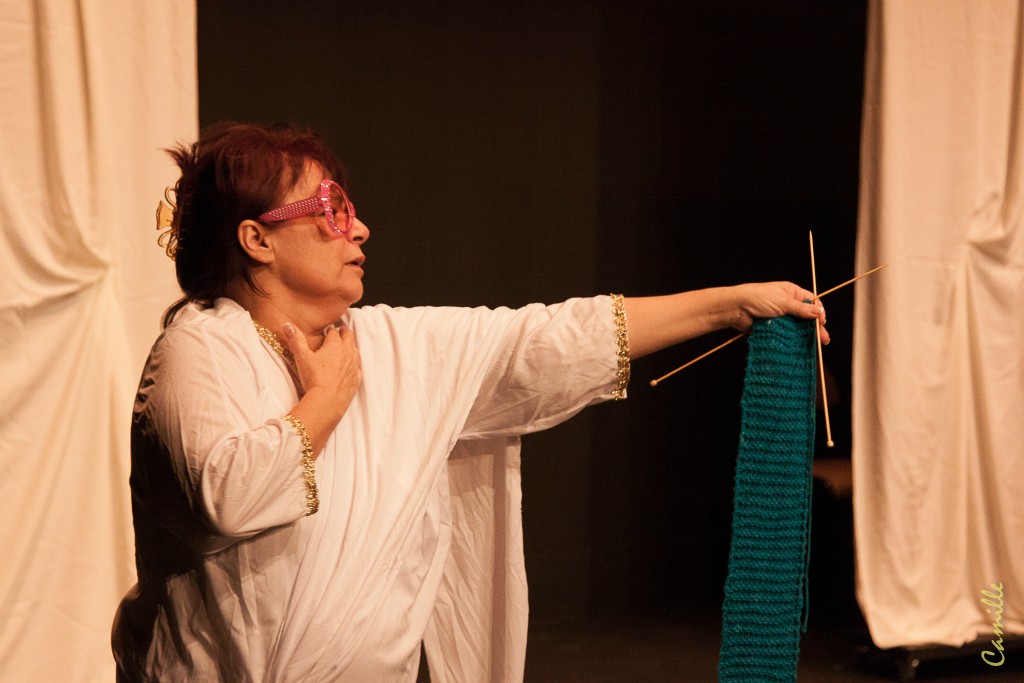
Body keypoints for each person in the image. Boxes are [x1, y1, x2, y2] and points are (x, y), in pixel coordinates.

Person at [111, 122, 828, 682]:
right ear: (256, 239)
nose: (358, 228)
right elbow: (230, 498)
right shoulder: (198, 349)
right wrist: (325, 399)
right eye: (330, 209)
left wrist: (730, 306)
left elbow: (546, 339)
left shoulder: (391, 345)